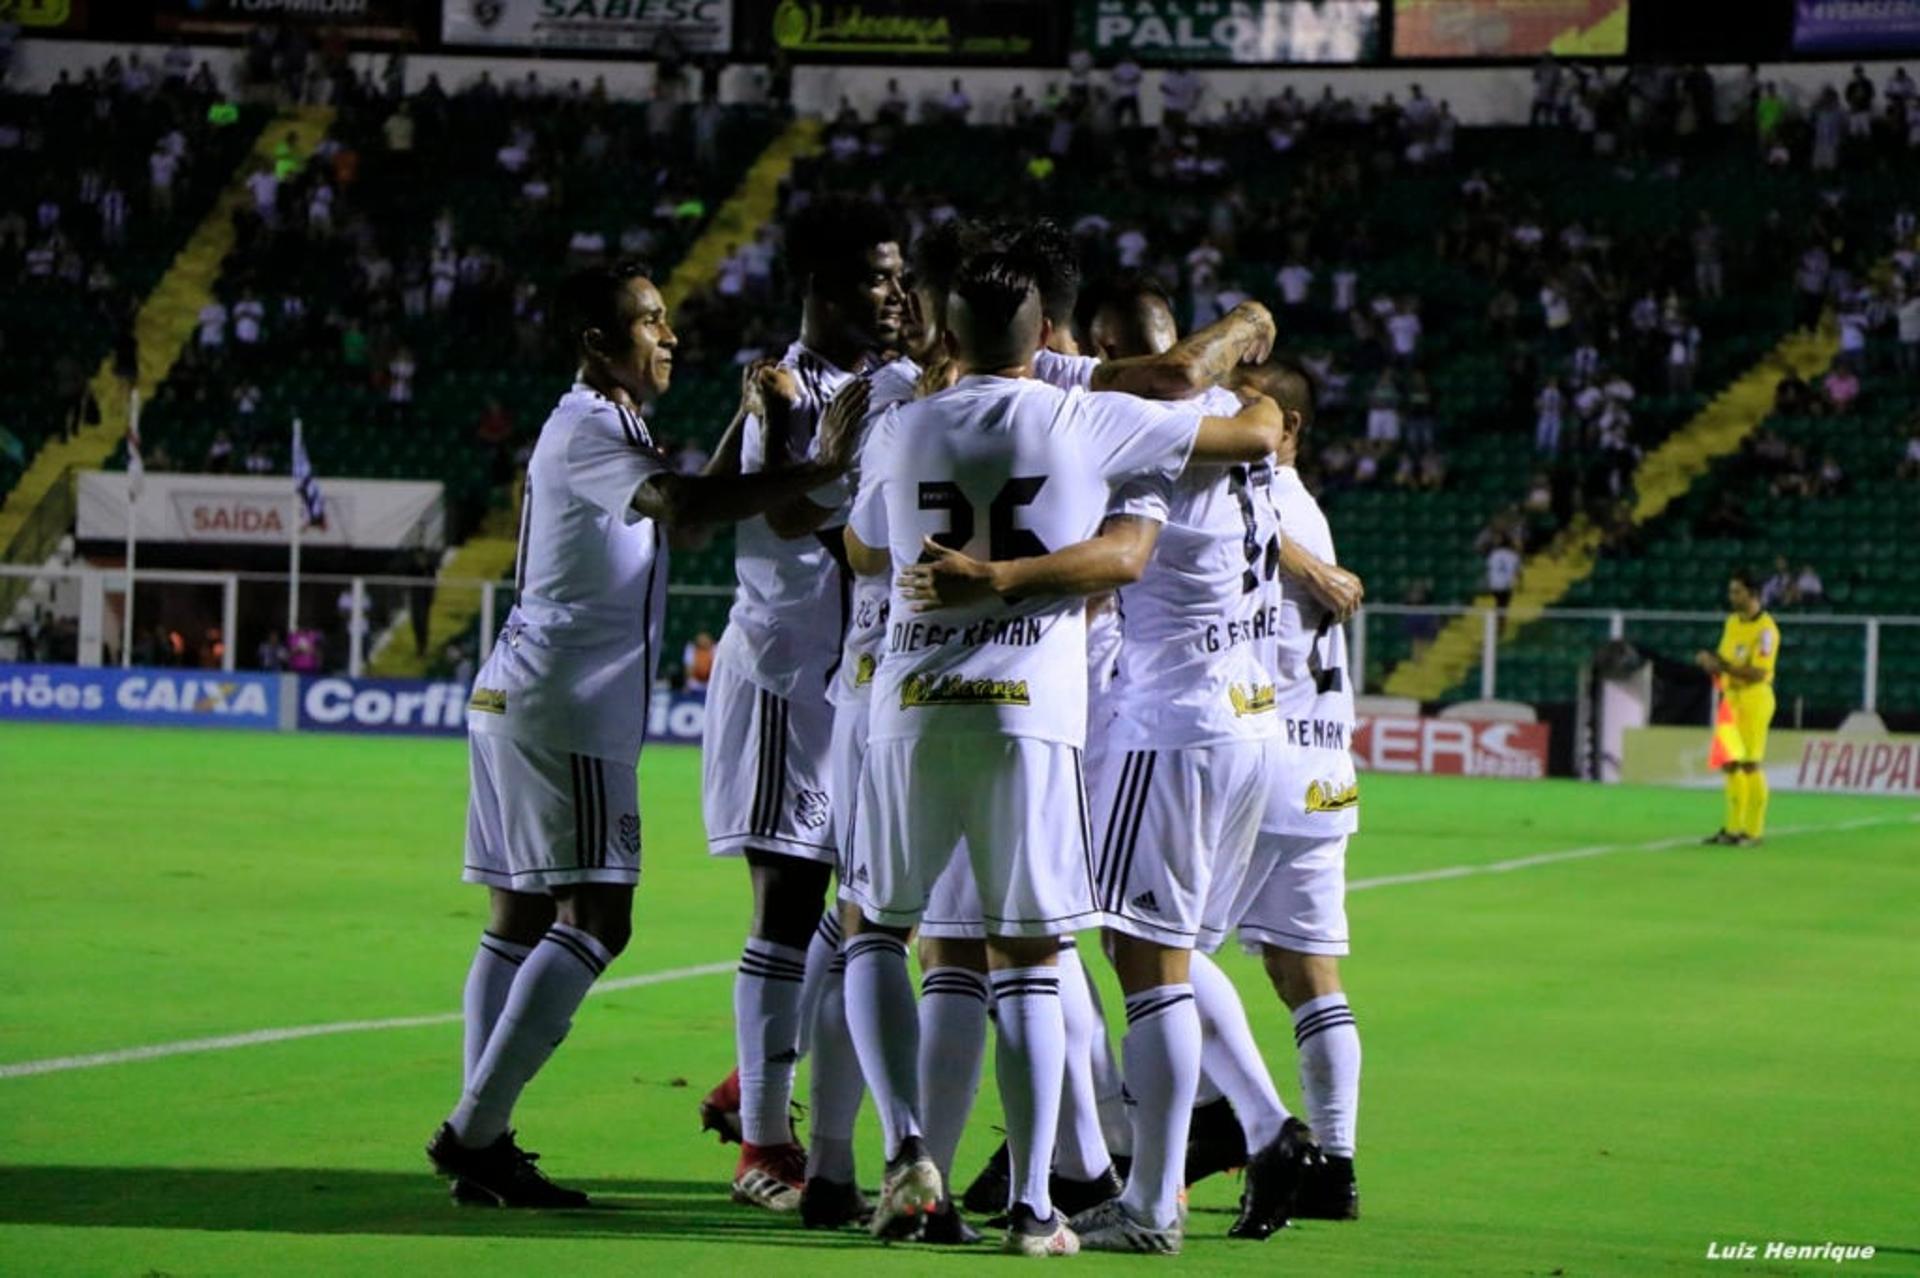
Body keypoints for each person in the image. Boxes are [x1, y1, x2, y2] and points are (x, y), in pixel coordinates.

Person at [837, 250, 1295, 1255]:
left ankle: (908, 1148)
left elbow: (866, 549)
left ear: (949, 337)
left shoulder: (900, 425)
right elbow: (1236, 426)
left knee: (880, 932)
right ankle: (1043, 1203)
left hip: (907, 704)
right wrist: (1246, 343)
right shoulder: (1087, 415)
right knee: (1036, 962)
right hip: (1031, 716)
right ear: (1049, 340)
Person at [424, 260, 873, 1208]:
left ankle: (487, 1138)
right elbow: (678, 506)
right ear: (599, 342)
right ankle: (473, 1130)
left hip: (518, 694)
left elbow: (687, 510)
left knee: (518, 920)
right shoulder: (590, 425)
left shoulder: (606, 425)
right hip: (569, 705)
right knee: (600, 918)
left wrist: (742, 426)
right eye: (650, 322)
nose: (670, 336)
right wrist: (824, 467)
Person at [695, 197, 907, 1212]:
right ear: (823, 287)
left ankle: (756, 1079)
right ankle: (762, 1149)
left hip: (858, 683)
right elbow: (783, 511)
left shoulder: (880, 386)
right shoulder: (783, 388)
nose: (893, 293)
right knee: (788, 906)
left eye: (901, 275)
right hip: (789, 673)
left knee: (864, 909)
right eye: (876, 276)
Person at [1697, 570, 1780, 848]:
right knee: (1730, 764)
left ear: (1753, 594)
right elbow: (1726, 658)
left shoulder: (1766, 629)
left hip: (1755, 698)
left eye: (1737, 592)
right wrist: (1711, 661)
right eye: (1731, 591)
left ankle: (1753, 832)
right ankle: (1732, 829)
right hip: (1731, 697)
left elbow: (1758, 672)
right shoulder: (1732, 622)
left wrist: (1723, 666)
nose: (1732, 596)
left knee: (1750, 763)